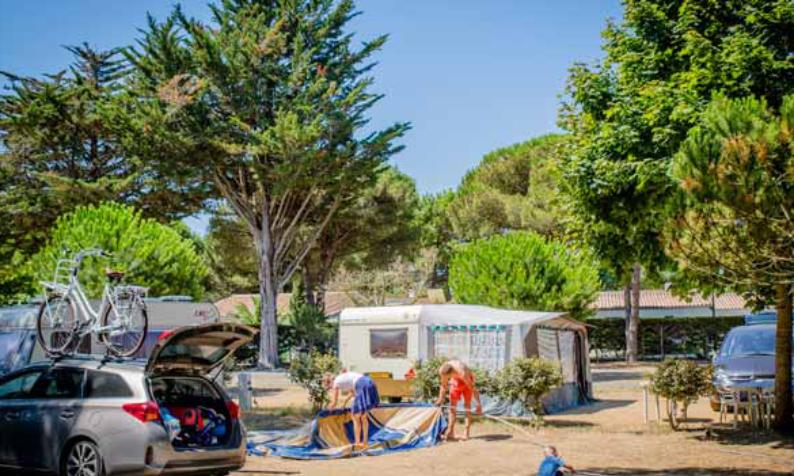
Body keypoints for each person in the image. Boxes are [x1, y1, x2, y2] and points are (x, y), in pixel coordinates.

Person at [323, 371, 380, 450]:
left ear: (329, 382)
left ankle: (357, 442)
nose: (331, 389)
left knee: (355, 416)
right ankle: (365, 442)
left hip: (362, 384)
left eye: (329, 387)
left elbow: (334, 402)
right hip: (370, 382)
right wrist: (344, 402)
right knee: (363, 416)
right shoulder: (342, 378)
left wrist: (326, 410)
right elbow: (353, 392)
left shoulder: (336, 383)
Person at [434, 359, 482, 440]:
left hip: (467, 382)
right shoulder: (442, 370)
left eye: (447, 377)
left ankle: (466, 432)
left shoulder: (463, 373)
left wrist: (478, 404)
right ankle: (451, 432)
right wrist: (440, 398)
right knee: (452, 407)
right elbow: (443, 385)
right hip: (456, 382)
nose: (446, 379)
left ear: (452, 373)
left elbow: (473, 389)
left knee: (467, 406)